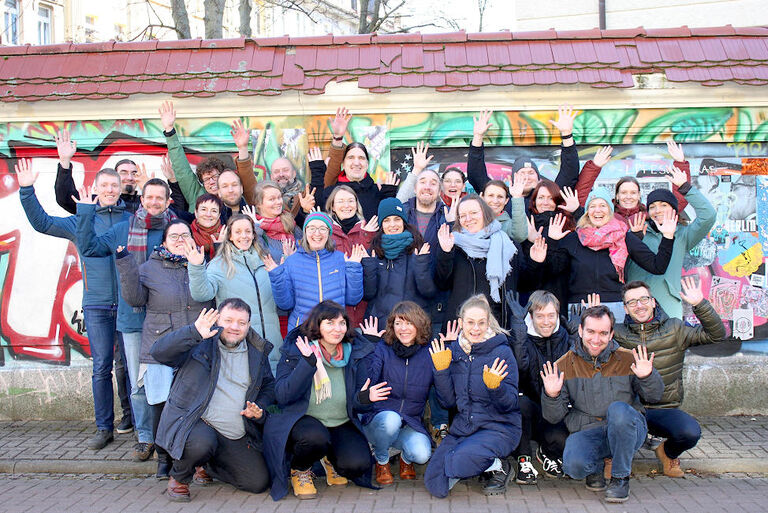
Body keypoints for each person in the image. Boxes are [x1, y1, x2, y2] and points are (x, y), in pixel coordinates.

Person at [17, 159, 131, 449]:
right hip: (97, 305)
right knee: (102, 367)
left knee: (128, 366)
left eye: (114, 186)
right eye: (104, 185)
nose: (109, 190)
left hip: (129, 304)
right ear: (94, 189)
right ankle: (103, 427)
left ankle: (131, 419)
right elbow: (42, 223)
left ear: (120, 190)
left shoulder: (131, 219)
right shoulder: (82, 219)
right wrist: (27, 189)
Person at [76, 177, 177, 460]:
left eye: (160, 198)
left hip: (166, 318)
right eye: (150, 197)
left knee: (171, 378)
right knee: (138, 384)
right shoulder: (124, 229)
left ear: (168, 201)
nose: (154, 202)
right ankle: (145, 437)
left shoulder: (174, 230)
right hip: (132, 319)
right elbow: (90, 249)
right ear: (142, 199)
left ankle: (170, 435)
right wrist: (85, 211)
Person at [263, 301, 390, 500]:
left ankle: (329, 458)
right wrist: (307, 364)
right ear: (317, 325)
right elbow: (283, 395)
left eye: (342, 323)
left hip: (340, 421)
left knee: (357, 464)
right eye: (330, 323)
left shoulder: (353, 353)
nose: (337, 329)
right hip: (303, 420)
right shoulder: (298, 350)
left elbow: (356, 403)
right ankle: (300, 469)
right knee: (316, 438)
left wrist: (365, 399)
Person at [115, 219, 213, 479]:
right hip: (160, 348)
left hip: (196, 346)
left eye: (185, 235)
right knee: (161, 404)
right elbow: (134, 299)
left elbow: (209, 297)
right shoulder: (149, 268)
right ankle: (164, 458)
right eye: (174, 236)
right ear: (164, 242)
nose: (180, 240)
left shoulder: (203, 265)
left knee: (196, 404)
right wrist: (125, 263)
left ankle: (197, 459)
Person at [151, 301, 275, 502]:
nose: (235, 327)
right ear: (217, 320)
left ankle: (207, 464)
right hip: (196, 423)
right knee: (201, 443)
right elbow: (158, 352)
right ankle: (180, 477)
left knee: (258, 482)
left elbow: (269, 385)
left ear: (248, 325)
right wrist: (193, 332)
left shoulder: (257, 351)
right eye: (228, 320)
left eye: (241, 322)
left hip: (235, 431)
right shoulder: (199, 342)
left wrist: (259, 407)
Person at [541, 305, 664, 503]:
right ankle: (596, 467)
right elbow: (553, 417)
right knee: (573, 466)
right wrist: (552, 394)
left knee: (618, 410)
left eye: (603, 333)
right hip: (591, 430)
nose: (596, 340)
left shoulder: (628, 359)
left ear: (611, 334)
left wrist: (647, 376)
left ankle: (620, 478)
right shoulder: (562, 365)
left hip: (627, 428)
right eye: (590, 332)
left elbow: (655, 396)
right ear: (580, 331)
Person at [613, 278, 726, 477]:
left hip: (663, 408)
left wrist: (700, 304)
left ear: (653, 301)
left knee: (690, 432)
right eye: (632, 302)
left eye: (644, 299)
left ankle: (666, 452)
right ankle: (612, 458)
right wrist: (590, 315)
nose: (639, 306)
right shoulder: (617, 334)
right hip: (629, 408)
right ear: (626, 308)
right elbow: (587, 344)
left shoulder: (675, 329)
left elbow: (716, 335)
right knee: (602, 417)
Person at [424, 295, 520, 497]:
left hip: (498, 427)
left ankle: (499, 465)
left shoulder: (502, 352)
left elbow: (510, 404)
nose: (475, 328)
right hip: (465, 428)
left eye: (481, 323)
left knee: (457, 462)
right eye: (470, 322)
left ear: (488, 322)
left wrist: (496, 388)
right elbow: (448, 402)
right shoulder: (455, 352)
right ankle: (472, 460)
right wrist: (441, 371)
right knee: (434, 481)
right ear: (460, 323)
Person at [543, 189, 677, 321]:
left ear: (610, 210)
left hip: (615, 309)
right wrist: (553, 242)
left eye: (603, 205)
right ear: (587, 212)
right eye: (592, 206)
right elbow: (553, 271)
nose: (598, 210)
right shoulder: (572, 239)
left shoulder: (623, 237)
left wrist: (668, 237)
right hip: (580, 308)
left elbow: (657, 266)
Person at [186, 214, 283, 373]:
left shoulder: (266, 261)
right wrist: (196, 267)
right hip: (241, 344)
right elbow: (202, 295)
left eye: (247, 231)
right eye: (238, 232)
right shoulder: (219, 264)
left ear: (253, 234)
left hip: (273, 342)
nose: (243, 236)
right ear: (229, 236)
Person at [435, 194, 541, 329]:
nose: (468, 219)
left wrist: (536, 262)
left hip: (499, 326)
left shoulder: (508, 245)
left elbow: (525, 285)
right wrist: (445, 253)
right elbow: (442, 284)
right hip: (462, 327)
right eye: (462, 215)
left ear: (485, 213)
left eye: (473, 213)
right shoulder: (452, 244)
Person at [359, 302, 437, 485]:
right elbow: (366, 381)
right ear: (392, 326)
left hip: (409, 422)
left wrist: (443, 362)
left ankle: (405, 459)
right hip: (380, 420)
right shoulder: (382, 348)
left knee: (422, 454)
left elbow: (445, 397)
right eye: (398, 323)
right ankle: (382, 460)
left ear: (419, 325)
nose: (403, 328)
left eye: (409, 323)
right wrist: (369, 346)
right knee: (391, 420)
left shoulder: (429, 353)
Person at [626, 165, 716, 319]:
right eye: (652, 207)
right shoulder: (636, 232)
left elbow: (708, 215)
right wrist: (636, 238)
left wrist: (686, 188)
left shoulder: (682, 235)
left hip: (668, 306)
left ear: (674, 210)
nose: (657, 210)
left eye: (663, 205)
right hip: (637, 308)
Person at [508, 290, 572, 485]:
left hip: (557, 410)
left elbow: (578, 371)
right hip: (531, 410)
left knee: (561, 441)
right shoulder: (522, 337)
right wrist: (519, 329)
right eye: (540, 316)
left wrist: (577, 335)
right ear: (531, 316)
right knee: (520, 404)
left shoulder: (566, 336)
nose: (546, 322)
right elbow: (520, 366)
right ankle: (523, 459)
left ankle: (547, 454)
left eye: (551, 316)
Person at [468, 107, 580, 214]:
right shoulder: (501, 199)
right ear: (511, 179)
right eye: (522, 173)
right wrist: (478, 136)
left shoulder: (549, 198)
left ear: (539, 179)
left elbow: (569, 172)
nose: (527, 177)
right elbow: (476, 174)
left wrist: (567, 135)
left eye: (531, 173)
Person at [266, 212, 365, 330]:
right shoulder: (292, 261)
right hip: (302, 331)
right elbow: (285, 304)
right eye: (311, 228)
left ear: (329, 232)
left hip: (334, 332)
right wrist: (277, 277)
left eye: (322, 228)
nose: (317, 233)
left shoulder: (341, 259)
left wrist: (354, 269)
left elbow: (353, 299)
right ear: (305, 231)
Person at [362, 198, 437, 326]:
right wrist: (369, 267)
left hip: (413, 325)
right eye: (386, 220)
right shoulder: (374, 251)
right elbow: (368, 294)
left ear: (403, 221)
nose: (392, 225)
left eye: (397, 219)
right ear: (381, 224)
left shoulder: (418, 248)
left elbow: (428, 292)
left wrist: (421, 264)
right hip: (382, 324)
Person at [318, 107, 399, 220]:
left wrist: (388, 195)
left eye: (361, 158)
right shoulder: (330, 193)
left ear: (367, 164)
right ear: (343, 163)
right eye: (351, 157)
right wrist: (337, 138)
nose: (356, 162)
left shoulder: (378, 192)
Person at [322, 181, 378, 327]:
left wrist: (367, 237)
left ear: (356, 204)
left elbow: (371, 268)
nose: (346, 205)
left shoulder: (368, 230)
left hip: (363, 313)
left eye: (350, 201)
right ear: (332, 206)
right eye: (340, 201)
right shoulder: (325, 233)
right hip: (334, 314)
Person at [53, 130, 144, 215]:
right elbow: (66, 199)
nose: (129, 177)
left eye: (134, 173)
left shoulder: (146, 203)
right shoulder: (95, 201)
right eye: (123, 173)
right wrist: (65, 161)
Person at [190, 193, 224, 262]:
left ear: (219, 215)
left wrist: (219, 246)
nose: (208, 214)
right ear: (196, 213)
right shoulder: (187, 235)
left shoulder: (227, 235)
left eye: (214, 211)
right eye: (203, 209)